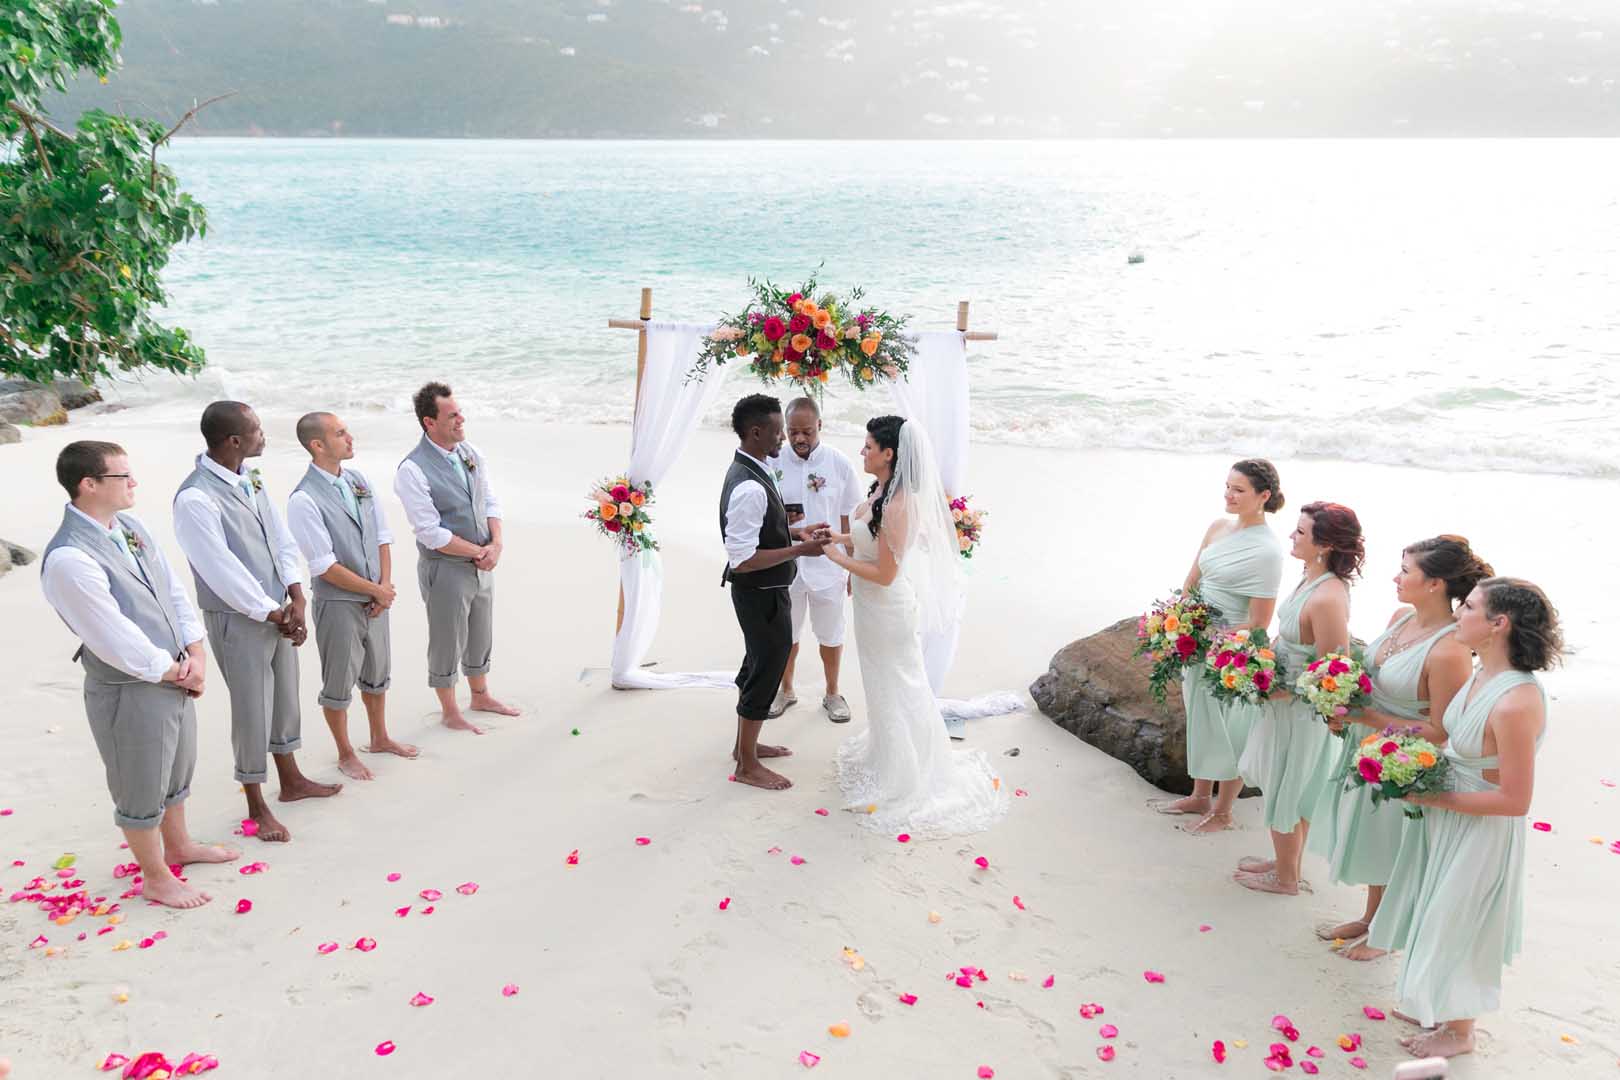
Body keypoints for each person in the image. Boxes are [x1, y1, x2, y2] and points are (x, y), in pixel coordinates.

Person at [1367, 578, 1560, 1060]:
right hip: (1449, 815)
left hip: (1482, 828)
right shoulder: (1480, 675)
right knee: (1435, 910)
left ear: (1499, 624)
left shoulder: (1515, 702)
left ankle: (1460, 1030)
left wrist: (1435, 797)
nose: (1457, 613)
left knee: (1459, 919)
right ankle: (1439, 1003)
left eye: (1469, 606)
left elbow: (1515, 800)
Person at [41, 441, 239, 907]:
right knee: (140, 780)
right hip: (131, 687)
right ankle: (155, 876)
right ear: (89, 485)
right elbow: (112, 637)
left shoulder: (131, 527)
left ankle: (179, 846)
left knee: (176, 767)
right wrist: (174, 671)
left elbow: (172, 590)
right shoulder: (69, 558)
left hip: (175, 673)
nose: (134, 483)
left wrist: (196, 652)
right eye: (122, 476)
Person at [818, 415, 1007, 837]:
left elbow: (886, 573)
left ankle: (908, 772)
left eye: (869, 446)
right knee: (880, 683)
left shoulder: (900, 505)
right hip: (869, 608)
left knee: (900, 684)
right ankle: (887, 754)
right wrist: (839, 537)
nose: (862, 451)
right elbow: (869, 539)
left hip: (887, 610)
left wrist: (837, 559)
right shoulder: (880, 490)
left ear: (889, 454)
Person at [1308, 536, 1484, 960]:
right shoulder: (1400, 617)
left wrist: (1366, 717)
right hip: (1368, 746)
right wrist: (1339, 697)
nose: (1396, 578)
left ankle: (1387, 934)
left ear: (1435, 584)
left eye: (1406, 571)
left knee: (1396, 845)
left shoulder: (1450, 649)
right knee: (1375, 837)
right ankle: (1372, 918)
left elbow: (1442, 730)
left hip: (1406, 759)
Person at [175, 402, 340, 842]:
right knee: (252, 707)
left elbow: (280, 537)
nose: (263, 435)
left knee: (284, 695)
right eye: (257, 429)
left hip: (278, 609)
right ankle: (255, 802)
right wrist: (271, 611)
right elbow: (220, 569)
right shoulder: (195, 498)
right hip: (237, 617)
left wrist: (296, 596)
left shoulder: (250, 476)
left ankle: (291, 779)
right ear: (234, 440)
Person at [1233, 502, 1362, 895]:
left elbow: (1333, 673)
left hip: (1298, 713)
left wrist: (1281, 688)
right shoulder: (1310, 578)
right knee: (1287, 784)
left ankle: (1286, 878)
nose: (1291, 535)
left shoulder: (1326, 598)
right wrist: (1258, 661)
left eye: (1301, 532)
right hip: (1280, 702)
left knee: (1287, 787)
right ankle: (1285, 862)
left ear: (1324, 545)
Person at [1152, 459, 1286, 835]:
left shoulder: (1268, 552)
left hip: (1230, 652)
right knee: (1202, 719)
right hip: (1194, 640)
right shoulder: (1217, 527)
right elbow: (1191, 582)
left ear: (1264, 496)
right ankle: (1199, 797)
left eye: (1239, 490)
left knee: (1231, 729)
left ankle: (1224, 811)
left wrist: (1214, 639)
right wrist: (1179, 622)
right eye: (1227, 486)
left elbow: (1259, 622)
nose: (1229, 495)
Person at [287, 412, 417, 781]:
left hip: (377, 598)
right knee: (339, 680)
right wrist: (376, 590)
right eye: (341, 433)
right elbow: (324, 566)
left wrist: (384, 587)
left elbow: (382, 535)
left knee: (378, 671)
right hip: (339, 604)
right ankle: (345, 752)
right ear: (318, 445)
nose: (350, 438)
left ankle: (380, 737)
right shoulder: (303, 499)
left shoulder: (359, 480)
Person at [394, 382, 519, 733]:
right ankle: (450, 711)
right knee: (447, 638)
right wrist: (480, 552)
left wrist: (497, 544)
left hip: (483, 562)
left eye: (460, 412)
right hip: (445, 568)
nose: (461, 419)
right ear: (429, 422)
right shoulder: (412, 470)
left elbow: (489, 500)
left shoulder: (471, 452)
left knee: (480, 631)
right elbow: (430, 533)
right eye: (452, 415)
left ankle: (480, 696)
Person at [720, 394, 829, 791]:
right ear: (755, 433)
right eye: (778, 431)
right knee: (766, 670)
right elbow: (742, 560)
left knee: (758, 664)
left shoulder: (753, 469)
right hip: (759, 592)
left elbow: (762, 531)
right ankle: (747, 766)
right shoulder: (749, 487)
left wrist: (796, 532)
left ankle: (744, 747)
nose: (784, 438)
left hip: (765, 589)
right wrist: (800, 550)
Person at [766, 396, 860, 724]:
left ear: (820, 425)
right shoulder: (772, 462)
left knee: (831, 633)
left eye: (807, 431)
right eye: (793, 431)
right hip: (786, 565)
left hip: (829, 566)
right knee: (785, 635)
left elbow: (849, 517)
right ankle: (785, 690)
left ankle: (833, 693)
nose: (800, 438)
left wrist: (851, 566)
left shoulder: (839, 463)